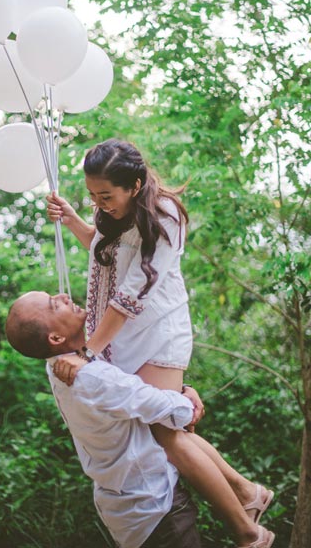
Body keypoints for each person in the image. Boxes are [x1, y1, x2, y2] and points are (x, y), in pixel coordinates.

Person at [45, 139, 273, 547]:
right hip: (124, 340)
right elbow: (103, 255)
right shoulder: (111, 213)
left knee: (167, 434)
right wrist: (73, 219)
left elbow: (129, 296)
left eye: (105, 195)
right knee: (163, 429)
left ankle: (248, 531)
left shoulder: (164, 216)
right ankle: (246, 493)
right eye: (92, 195)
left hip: (158, 334)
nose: (99, 203)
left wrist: (87, 354)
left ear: (134, 185)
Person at [5, 291, 274, 548]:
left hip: (130, 513)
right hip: (154, 509)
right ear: (55, 338)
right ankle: (249, 521)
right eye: (55, 304)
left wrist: (180, 391)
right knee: (174, 433)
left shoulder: (59, 366)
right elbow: (161, 408)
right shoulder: (90, 377)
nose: (63, 296)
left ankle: (248, 498)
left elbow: (126, 390)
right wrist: (187, 403)